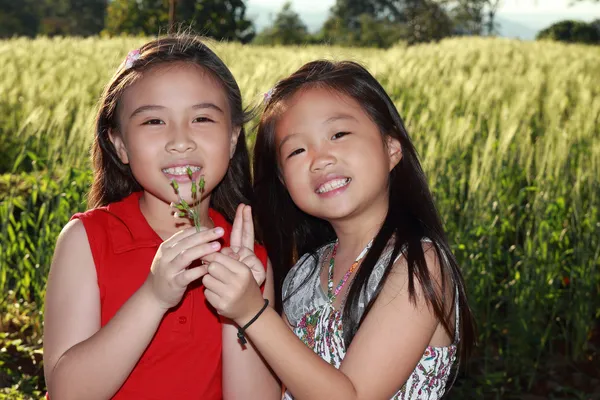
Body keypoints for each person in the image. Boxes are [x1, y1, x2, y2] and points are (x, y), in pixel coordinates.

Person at [200, 60, 475, 399]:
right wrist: (237, 310)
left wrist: (254, 313)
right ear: (285, 183)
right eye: (297, 150)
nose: (319, 159)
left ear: (391, 148)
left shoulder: (419, 265)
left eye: (339, 134)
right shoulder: (304, 273)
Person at [43, 34, 279, 400]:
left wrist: (242, 310)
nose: (180, 140)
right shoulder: (87, 239)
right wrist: (154, 296)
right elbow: (67, 393)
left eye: (202, 118)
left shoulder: (249, 256)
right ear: (119, 144)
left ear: (233, 138)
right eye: (153, 122)